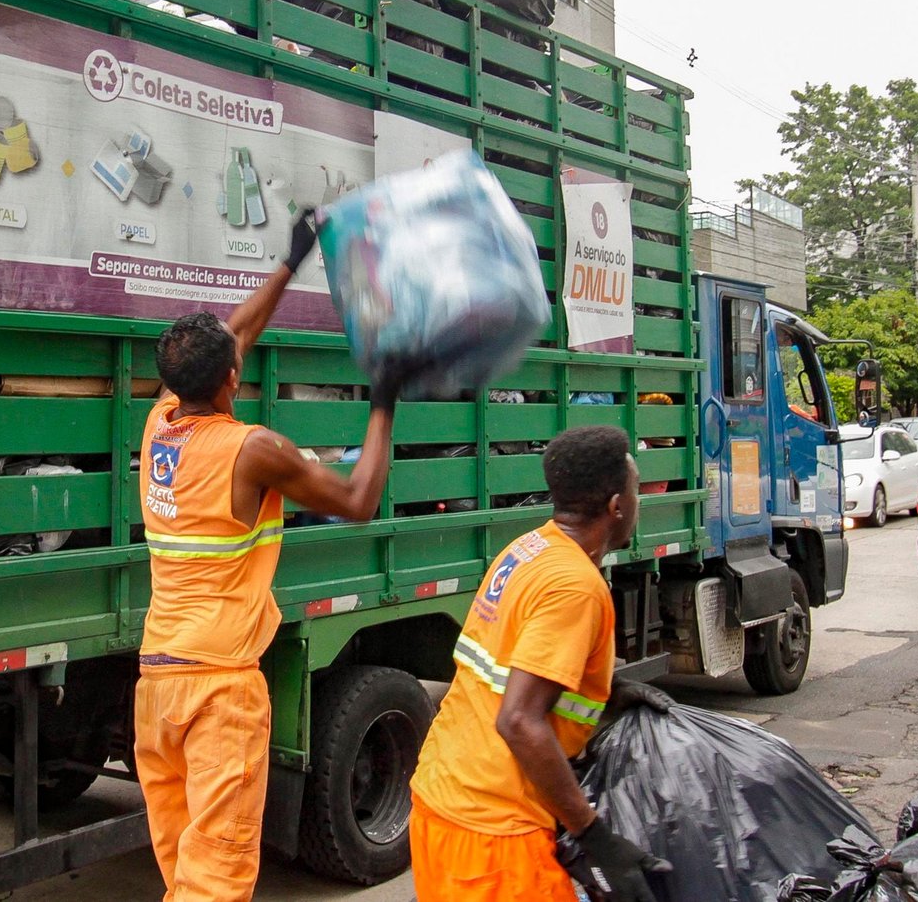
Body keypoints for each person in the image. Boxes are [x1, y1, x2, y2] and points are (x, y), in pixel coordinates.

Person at [134, 211, 399, 902]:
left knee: (183, 868)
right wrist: (385, 394)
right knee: (215, 881)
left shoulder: (163, 421)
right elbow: (361, 498)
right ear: (230, 379)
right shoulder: (252, 449)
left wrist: (289, 261)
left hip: (158, 683)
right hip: (219, 688)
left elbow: (237, 332)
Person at [409, 425, 674, 902]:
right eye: (636, 491)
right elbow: (518, 719)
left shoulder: (529, 549)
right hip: (494, 835)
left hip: (446, 797)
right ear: (616, 506)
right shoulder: (576, 586)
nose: (638, 502)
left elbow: (509, 661)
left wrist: (607, 690)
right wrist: (595, 836)